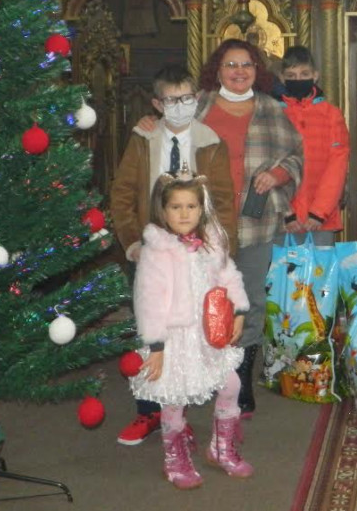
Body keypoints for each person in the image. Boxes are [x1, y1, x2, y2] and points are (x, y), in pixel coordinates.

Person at [109, 63, 236, 446]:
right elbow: (123, 194)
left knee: (190, 330)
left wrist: (220, 250)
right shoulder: (143, 138)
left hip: (196, 253)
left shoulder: (210, 142)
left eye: (186, 98)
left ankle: (179, 409)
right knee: (151, 330)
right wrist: (132, 242)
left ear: (196, 99)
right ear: (157, 104)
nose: (180, 106)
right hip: (152, 251)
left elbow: (224, 202)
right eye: (171, 100)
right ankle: (149, 411)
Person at [196, 39, 303, 418]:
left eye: (246, 64)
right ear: (218, 70)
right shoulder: (198, 106)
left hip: (257, 223)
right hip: (204, 222)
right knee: (207, 298)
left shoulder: (272, 109)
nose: (239, 71)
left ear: (257, 70)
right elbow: (166, 137)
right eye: (230, 65)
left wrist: (278, 174)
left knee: (250, 300)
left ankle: (241, 379)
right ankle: (207, 373)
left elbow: (296, 156)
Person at [131, 174, 252, 489]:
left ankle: (221, 448)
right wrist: (156, 347)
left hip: (209, 335)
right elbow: (148, 301)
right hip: (174, 341)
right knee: (174, 399)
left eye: (191, 206)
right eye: (176, 207)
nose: (184, 214)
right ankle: (175, 458)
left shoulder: (211, 241)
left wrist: (239, 309)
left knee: (231, 384)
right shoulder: (157, 251)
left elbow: (229, 274)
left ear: (201, 209)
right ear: (164, 211)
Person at [277, 46, 350, 245]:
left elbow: (337, 166)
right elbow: (268, 165)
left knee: (321, 265)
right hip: (282, 219)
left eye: (304, 74)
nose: (298, 79)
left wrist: (319, 212)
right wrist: (286, 212)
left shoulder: (331, 114)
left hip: (321, 219)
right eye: (291, 75)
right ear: (282, 78)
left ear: (315, 75)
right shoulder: (273, 113)